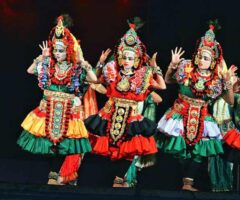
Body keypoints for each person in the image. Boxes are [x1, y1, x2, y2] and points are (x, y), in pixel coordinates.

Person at [84, 18, 166, 187]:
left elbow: (162, 86)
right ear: (120, 58)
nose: (127, 60)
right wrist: (99, 63)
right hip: (111, 112)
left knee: (129, 147)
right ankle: (112, 179)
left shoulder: (142, 75)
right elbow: (94, 80)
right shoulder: (112, 71)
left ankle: (119, 179)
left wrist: (155, 67)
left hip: (131, 115)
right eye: (125, 57)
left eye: (130, 58)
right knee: (110, 146)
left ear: (136, 59)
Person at [157, 20, 237, 191]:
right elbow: (168, 80)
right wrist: (172, 66)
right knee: (180, 148)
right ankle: (179, 182)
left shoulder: (216, 78)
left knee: (199, 151)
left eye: (206, 58)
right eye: (200, 55)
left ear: (213, 60)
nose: (201, 60)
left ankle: (189, 183)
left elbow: (230, 101)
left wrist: (228, 83)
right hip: (181, 112)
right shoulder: (186, 66)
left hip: (202, 116)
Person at [17, 15, 97, 184]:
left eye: (60, 50)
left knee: (66, 145)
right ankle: (52, 175)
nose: (57, 53)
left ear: (68, 50)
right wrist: (42, 56)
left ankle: (62, 175)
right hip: (49, 109)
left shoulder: (75, 68)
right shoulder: (48, 64)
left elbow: (94, 79)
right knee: (48, 145)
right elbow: (30, 70)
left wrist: (83, 62)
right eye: (55, 50)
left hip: (67, 111)